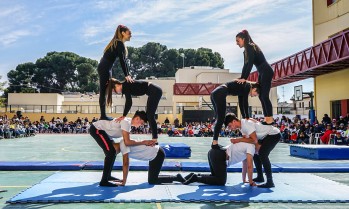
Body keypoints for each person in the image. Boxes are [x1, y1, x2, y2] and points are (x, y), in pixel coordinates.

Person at [90, 110, 154, 187]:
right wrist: (144, 142)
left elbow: (126, 141)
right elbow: (127, 142)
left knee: (113, 152)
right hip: (97, 129)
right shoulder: (126, 122)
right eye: (142, 122)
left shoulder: (128, 124)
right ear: (137, 119)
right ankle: (104, 181)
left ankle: (108, 176)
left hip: (106, 133)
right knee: (111, 152)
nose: (141, 125)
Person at [227, 113, 280, 188]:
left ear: (234, 121)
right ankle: (260, 176)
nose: (230, 128)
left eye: (230, 126)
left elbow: (254, 140)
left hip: (273, 134)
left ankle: (270, 181)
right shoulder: (242, 128)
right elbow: (249, 141)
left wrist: (238, 140)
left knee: (262, 154)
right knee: (255, 153)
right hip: (264, 137)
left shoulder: (246, 124)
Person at [235, 30, 274, 125]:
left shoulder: (251, 47)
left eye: (238, 40)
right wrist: (242, 77)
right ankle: (266, 118)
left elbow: (250, 63)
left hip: (266, 71)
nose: (236, 43)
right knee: (261, 96)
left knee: (264, 96)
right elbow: (245, 65)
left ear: (243, 39)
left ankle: (270, 119)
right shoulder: (246, 50)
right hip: (262, 72)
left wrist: (245, 78)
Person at [106, 78, 162, 142]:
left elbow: (129, 102)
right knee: (149, 115)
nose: (116, 93)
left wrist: (124, 115)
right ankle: (154, 135)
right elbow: (128, 102)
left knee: (150, 115)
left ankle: (155, 139)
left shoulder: (126, 85)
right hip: (153, 91)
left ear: (117, 85)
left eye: (114, 91)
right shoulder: (126, 86)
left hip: (155, 90)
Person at [112, 137, 185, 186]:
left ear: (114, 145)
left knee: (153, 181)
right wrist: (124, 179)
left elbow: (126, 163)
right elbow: (126, 163)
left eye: (113, 151)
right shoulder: (123, 142)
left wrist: (124, 181)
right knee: (152, 179)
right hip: (154, 155)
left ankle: (176, 178)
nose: (114, 153)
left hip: (157, 154)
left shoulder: (123, 144)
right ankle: (177, 177)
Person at [98, 25, 134, 120]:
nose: (131, 35)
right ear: (123, 33)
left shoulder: (117, 43)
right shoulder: (118, 43)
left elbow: (124, 60)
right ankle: (103, 116)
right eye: (129, 33)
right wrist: (127, 75)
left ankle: (103, 115)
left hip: (106, 67)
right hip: (105, 68)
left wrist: (127, 74)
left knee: (105, 91)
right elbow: (122, 60)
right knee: (103, 92)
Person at [183, 141, 256, 186]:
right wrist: (251, 182)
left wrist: (244, 180)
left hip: (213, 152)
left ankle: (196, 175)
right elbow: (250, 166)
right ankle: (196, 178)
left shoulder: (247, 145)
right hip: (219, 155)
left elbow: (245, 164)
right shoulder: (251, 147)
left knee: (214, 176)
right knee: (221, 181)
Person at [210, 81, 260, 147]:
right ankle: (214, 143)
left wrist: (245, 117)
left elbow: (241, 104)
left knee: (219, 118)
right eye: (255, 94)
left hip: (215, 93)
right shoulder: (247, 86)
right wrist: (247, 116)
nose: (253, 96)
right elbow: (245, 102)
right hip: (220, 92)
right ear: (254, 89)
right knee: (221, 119)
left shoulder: (243, 88)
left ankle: (214, 142)